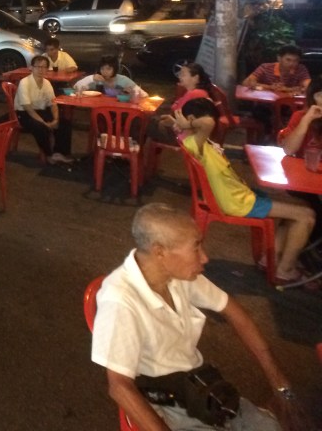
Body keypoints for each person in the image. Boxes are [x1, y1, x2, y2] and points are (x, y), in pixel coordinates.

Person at [91, 203, 294, 431]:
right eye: (196, 247)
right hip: (165, 405)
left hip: (199, 387)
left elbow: (236, 314)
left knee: (271, 427)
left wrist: (279, 384)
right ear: (160, 252)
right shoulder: (119, 300)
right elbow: (119, 386)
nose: (205, 257)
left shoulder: (178, 275)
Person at [180, 97, 315, 284]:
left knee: (299, 203)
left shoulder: (191, 139)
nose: (215, 125)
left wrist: (180, 122)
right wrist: (190, 122)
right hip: (237, 202)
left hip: (240, 194)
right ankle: (285, 270)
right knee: (307, 215)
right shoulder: (195, 142)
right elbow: (208, 122)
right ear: (193, 119)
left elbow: (205, 122)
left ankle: (271, 259)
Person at [279, 74, 322, 245]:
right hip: (304, 184)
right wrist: (307, 120)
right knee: (307, 208)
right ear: (314, 96)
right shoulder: (301, 117)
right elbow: (288, 149)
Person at [16, 55, 73, 164]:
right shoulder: (25, 82)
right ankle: (49, 154)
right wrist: (44, 122)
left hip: (41, 111)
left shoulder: (46, 83)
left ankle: (59, 153)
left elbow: (53, 103)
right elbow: (27, 107)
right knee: (40, 126)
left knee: (65, 123)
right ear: (31, 67)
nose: (41, 70)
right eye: (38, 67)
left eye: (44, 67)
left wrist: (55, 119)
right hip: (24, 113)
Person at [148, 62, 213, 144]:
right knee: (152, 121)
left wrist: (172, 119)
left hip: (184, 136)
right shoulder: (195, 92)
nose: (180, 77)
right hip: (185, 131)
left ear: (195, 78)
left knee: (146, 123)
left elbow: (177, 113)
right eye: (180, 74)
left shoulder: (194, 94)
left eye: (183, 75)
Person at [242, 44, 310, 94]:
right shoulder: (265, 67)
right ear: (279, 58)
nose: (292, 63)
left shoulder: (301, 69)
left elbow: (310, 87)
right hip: (265, 104)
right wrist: (270, 87)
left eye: (295, 61)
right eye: (288, 60)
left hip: (290, 104)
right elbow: (246, 83)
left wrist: (286, 89)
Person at [74, 55, 143, 98]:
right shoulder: (98, 80)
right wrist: (91, 78)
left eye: (109, 69)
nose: (105, 72)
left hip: (120, 111)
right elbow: (76, 87)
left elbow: (144, 95)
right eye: (102, 69)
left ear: (115, 69)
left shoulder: (123, 80)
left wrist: (132, 93)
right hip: (101, 108)